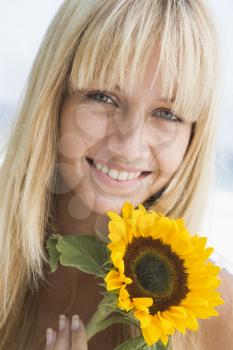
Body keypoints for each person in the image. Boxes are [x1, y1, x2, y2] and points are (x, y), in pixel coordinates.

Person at [0, 0, 232, 349]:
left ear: (193, 137)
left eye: (167, 114)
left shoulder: (219, 318)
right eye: (103, 97)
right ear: (54, 99)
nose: (129, 146)